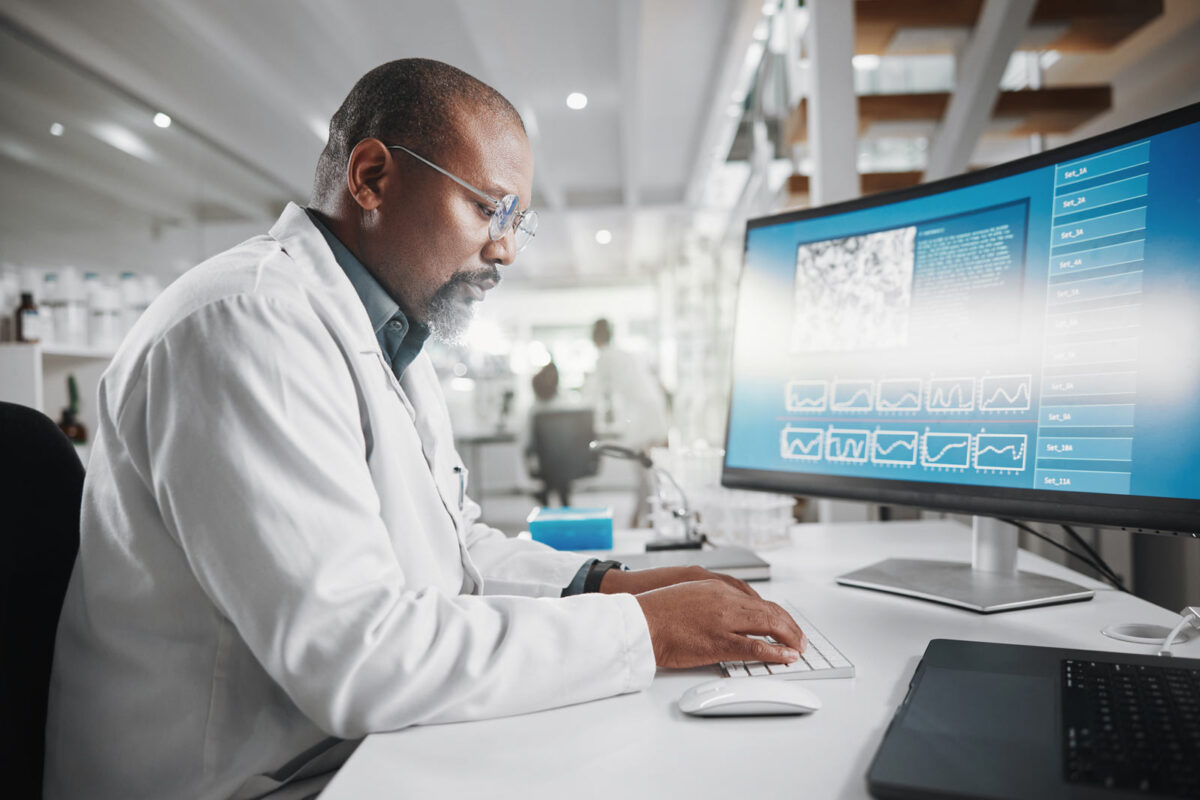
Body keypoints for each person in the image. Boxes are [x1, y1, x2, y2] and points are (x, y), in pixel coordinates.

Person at [44, 59, 807, 799]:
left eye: (518, 221)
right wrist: (643, 629)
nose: (506, 249)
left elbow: (454, 546)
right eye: (488, 209)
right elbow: (358, 659)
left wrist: (603, 584)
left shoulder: (388, 336)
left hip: (334, 752)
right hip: (243, 780)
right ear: (372, 177)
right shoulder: (248, 323)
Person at [523, 361, 580, 506]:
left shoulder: (534, 410)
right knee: (560, 480)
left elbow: (526, 444)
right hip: (565, 464)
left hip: (545, 466)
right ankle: (559, 503)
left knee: (550, 475)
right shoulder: (565, 405)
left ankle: (544, 496)